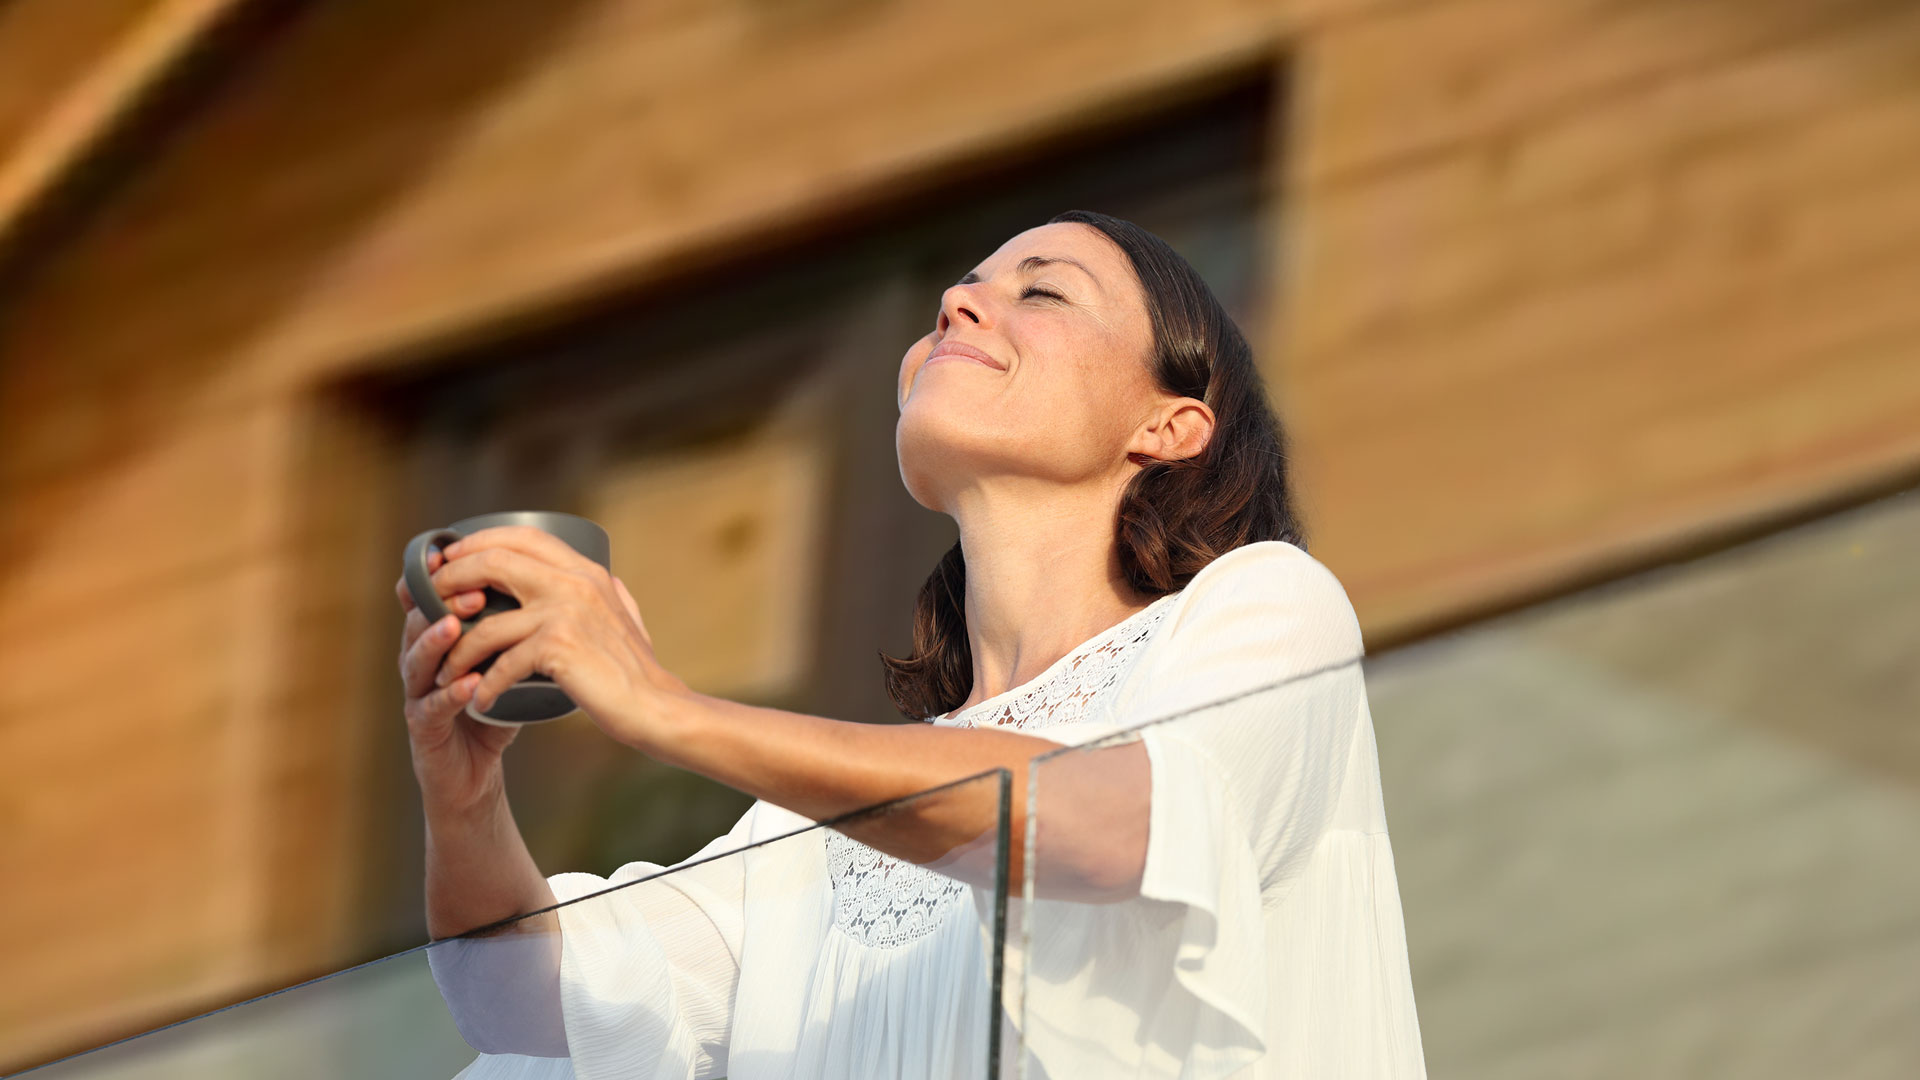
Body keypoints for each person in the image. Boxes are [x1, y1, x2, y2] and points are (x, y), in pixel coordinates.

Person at [397, 210, 1427, 1079]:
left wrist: (662, 707)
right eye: (964, 286)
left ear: (1170, 425)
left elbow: (1116, 827)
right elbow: (520, 1005)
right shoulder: (799, 834)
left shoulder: (1265, 608)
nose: (957, 305)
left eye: (1046, 292)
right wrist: (465, 794)